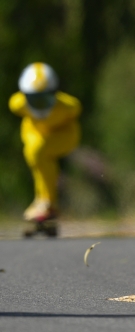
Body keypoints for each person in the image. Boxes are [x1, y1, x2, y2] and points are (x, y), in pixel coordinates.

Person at [9, 62, 82, 231]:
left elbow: (75, 114)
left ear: (54, 94)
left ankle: (46, 201)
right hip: (35, 138)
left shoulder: (69, 106)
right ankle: (44, 202)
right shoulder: (17, 104)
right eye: (34, 99)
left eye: (45, 99)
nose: (40, 105)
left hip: (63, 137)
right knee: (38, 159)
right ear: (25, 95)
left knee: (39, 152)